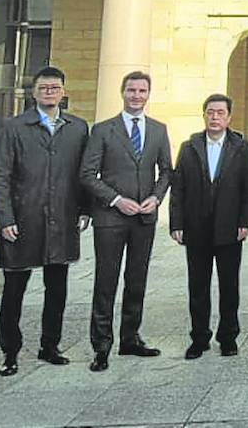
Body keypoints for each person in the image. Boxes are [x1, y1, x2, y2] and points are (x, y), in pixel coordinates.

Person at [0, 66, 91, 376]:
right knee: (15, 288)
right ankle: (10, 351)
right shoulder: (14, 127)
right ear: (34, 92)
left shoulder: (77, 127)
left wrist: (85, 208)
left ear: (63, 91)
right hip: (24, 217)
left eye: (55, 87)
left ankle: (50, 345)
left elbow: (84, 173)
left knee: (56, 288)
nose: (49, 92)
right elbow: (1, 176)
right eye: (43, 87)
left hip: (61, 218)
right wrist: (5, 217)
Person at [81, 71, 173, 371]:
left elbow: (166, 171)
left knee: (137, 280)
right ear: (122, 93)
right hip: (111, 217)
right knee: (106, 281)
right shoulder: (103, 130)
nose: (136, 95)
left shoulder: (158, 130)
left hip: (144, 218)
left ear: (149, 94)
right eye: (131, 90)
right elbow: (87, 174)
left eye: (142, 90)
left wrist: (156, 197)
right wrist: (116, 200)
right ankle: (101, 346)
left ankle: (130, 337)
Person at [169, 94, 248, 359]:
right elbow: (178, 188)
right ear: (204, 115)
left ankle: (228, 337)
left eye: (220, 113)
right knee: (198, 286)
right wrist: (177, 223)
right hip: (196, 228)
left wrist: (245, 222)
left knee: (229, 286)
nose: (215, 117)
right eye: (210, 112)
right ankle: (199, 338)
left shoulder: (241, 147)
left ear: (229, 117)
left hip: (229, 228)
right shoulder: (189, 146)